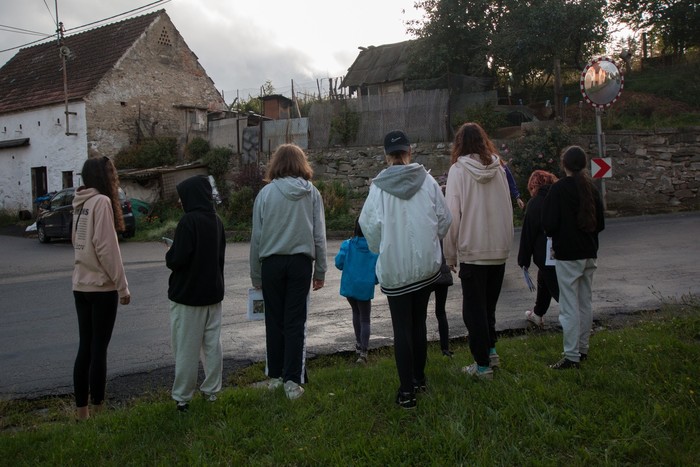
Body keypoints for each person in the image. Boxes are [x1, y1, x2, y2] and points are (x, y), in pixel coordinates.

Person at [359, 130, 452, 409]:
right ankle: (419, 379)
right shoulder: (428, 181)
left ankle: (407, 392)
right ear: (409, 151)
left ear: (386, 155)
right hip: (426, 267)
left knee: (401, 328)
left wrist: (380, 249)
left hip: (395, 270)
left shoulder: (378, 188)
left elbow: (368, 227)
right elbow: (444, 219)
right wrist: (431, 240)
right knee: (419, 322)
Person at [250, 143, 327, 400]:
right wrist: (320, 270)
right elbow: (319, 235)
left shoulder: (265, 194)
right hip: (300, 264)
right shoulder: (312, 193)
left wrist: (256, 274)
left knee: (274, 320)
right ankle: (292, 382)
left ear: (276, 164)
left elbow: (256, 237)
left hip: (271, 264)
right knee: (295, 321)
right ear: (302, 164)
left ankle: (275, 377)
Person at [443, 122, 514, 380]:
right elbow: (508, 207)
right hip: (498, 249)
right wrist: (506, 242)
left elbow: (452, 214)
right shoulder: (499, 168)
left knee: (474, 312)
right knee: (489, 307)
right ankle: (491, 352)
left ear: (459, 144)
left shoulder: (458, 170)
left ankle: (482, 366)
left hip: (473, 250)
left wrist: (450, 253)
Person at [71, 156, 131, 421]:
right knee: (98, 349)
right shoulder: (102, 202)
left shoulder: (79, 202)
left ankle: (81, 413)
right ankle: (98, 409)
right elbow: (107, 249)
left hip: (80, 285)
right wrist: (122, 287)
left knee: (85, 347)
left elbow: (76, 241)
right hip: (101, 288)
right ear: (104, 177)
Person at [166, 175, 226, 412]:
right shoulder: (216, 221)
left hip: (188, 297)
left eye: (182, 197)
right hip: (213, 294)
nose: (181, 202)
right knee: (212, 346)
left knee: (186, 349)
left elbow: (177, 260)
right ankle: (211, 391)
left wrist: (170, 251)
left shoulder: (188, 222)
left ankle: (183, 397)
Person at [542, 146, 605, 369]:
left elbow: (549, 224)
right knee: (585, 302)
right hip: (589, 252)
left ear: (564, 164)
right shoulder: (591, 188)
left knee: (569, 306)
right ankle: (583, 348)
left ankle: (571, 355)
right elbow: (600, 223)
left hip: (568, 255)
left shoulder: (559, 189)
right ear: (584, 164)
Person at [517, 170, 560, 327]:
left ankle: (577, 321)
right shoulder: (560, 198)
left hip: (545, 253)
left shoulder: (535, 203)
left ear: (533, 186)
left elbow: (528, 233)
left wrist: (523, 260)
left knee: (558, 290)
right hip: (562, 250)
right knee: (544, 280)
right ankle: (537, 313)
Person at [334, 218, 379, 364]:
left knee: (356, 312)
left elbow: (339, 263)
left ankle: (359, 344)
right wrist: (374, 281)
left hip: (350, 285)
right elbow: (378, 271)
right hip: (365, 287)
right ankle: (364, 352)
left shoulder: (348, 244)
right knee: (365, 318)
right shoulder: (374, 247)